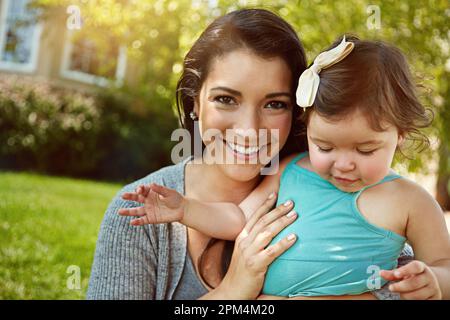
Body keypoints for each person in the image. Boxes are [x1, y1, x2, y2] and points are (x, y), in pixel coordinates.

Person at [87, 9, 412, 300]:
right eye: (226, 99)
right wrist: (233, 291)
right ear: (195, 102)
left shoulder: (343, 187)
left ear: (300, 112)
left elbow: (412, 281)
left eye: (275, 104)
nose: (248, 129)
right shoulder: (139, 214)